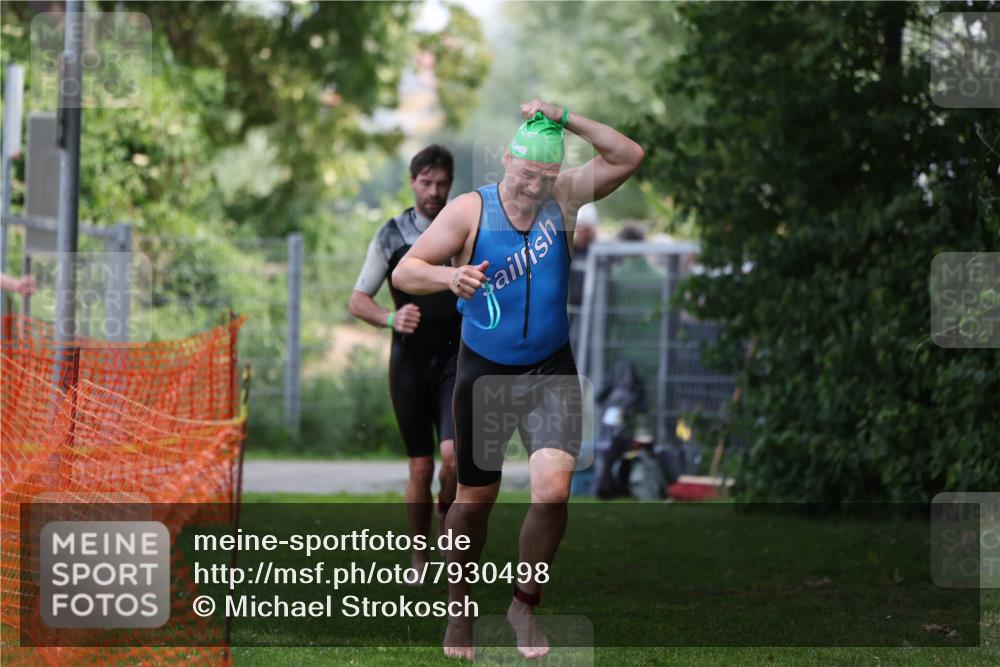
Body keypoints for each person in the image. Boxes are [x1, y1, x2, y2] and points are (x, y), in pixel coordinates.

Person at [392, 100, 643, 660]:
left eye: (545, 175)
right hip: (484, 373)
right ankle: (460, 611)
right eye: (526, 173)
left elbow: (628, 154)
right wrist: (448, 274)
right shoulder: (469, 210)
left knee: (553, 494)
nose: (533, 185)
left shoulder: (566, 198)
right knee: (474, 503)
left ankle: (523, 604)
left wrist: (566, 116)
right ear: (506, 160)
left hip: (551, 369)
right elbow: (406, 269)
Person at [348, 144, 459, 572]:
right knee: (419, 464)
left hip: (456, 359)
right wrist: (390, 317)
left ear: (450, 185)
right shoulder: (391, 235)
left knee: (451, 459)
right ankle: (419, 555)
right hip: (410, 363)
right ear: (413, 182)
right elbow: (358, 299)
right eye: (427, 182)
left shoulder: (464, 228)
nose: (434, 191)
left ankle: (447, 516)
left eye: (442, 183)